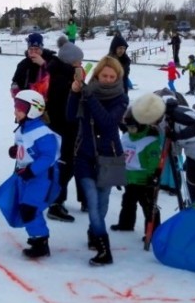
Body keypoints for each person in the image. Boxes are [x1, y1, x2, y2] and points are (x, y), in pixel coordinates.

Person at [67, 56, 129, 266]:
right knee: (93, 203)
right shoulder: (87, 92)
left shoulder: (121, 98)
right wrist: (74, 93)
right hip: (84, 155)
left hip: (109, 156)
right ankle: (105, 250)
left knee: (102, 205)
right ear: (97, 74)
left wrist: (89, 97)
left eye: (112, 76)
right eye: (104, 75)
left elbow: (108, 123)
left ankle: (94, 232)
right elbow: (69, 116)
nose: (108, 80)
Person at [8, 90, 61, 258]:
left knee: (30, 209)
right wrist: (15, 151)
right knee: (25, 207)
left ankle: (40, 242)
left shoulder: (43, 133)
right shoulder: (22, 129)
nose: (16, 111)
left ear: (33, 110)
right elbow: (23, 147)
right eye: (16, 107)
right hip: (25, 177)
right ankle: (36, 237)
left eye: (20, 108)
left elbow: (47, 157)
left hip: (41, 178)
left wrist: (31, 171)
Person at [45, 42, 85, 222]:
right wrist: (77, 87)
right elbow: (65, 105)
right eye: (78, 61)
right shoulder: (61, 78)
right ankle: (55, 203)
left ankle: (57, 200)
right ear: (70, 62)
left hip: (64, 127)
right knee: (65, 165)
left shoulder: (60, 73)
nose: (81, 65)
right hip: (63, 128)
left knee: (66, 165)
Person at [110, 99, 163, 234]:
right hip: (129, 177)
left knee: (148, 206)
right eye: (128, 127)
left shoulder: (149, 140)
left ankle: (153, 232)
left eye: (133, 127)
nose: (130, 130)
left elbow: (153, 161)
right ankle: (126, 224)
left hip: (144, 179)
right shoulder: (127, 137)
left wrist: (154, 175)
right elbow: (121, 154)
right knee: (127, 202)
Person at [10, 33, 54, 99]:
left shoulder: (51, 60)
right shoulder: (23, 64)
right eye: (31, 49)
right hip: (27, 102)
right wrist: (15, 88)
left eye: (36, 49)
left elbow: (57, 78)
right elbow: (15, 80)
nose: (33, 52)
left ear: (41, 49)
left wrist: (44, 64)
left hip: (48, 102)